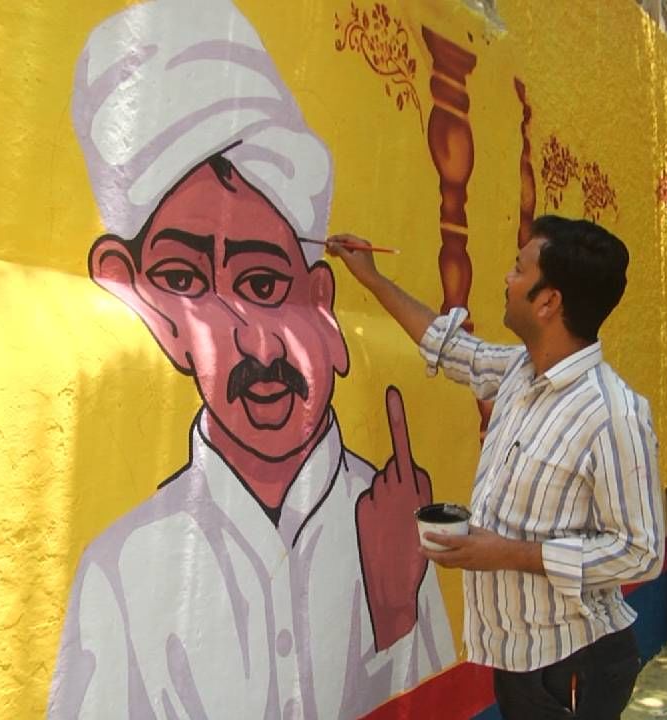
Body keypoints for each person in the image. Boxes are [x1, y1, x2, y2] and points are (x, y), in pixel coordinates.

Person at [48, 2, 451, 718]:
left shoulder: (392, 520)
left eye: (266, 286)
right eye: (185, 284)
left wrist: (395, 606)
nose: (255, 344)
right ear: (147, 307)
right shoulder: (122, 571)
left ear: (322, 302)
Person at [328, 215, 664, 719]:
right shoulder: (519, 372)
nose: (506, 279)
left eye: (518, 270)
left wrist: (505, 552)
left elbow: (641, 553)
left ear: (548, 302)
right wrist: (371, 277)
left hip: (574, 663)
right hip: (521, 658)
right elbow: (449, 347)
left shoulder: (612, 414)